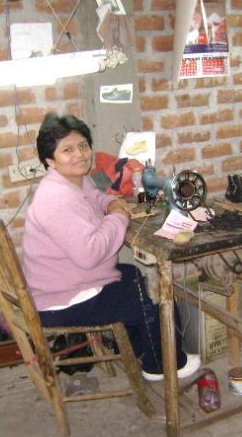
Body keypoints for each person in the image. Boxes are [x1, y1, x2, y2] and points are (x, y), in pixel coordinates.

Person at [22, 113, 200, 381]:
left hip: (68, 284)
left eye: (83, 146)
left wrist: (112, 204)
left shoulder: (70, 181)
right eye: (67, 150)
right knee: (155, 292)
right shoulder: (56, 198)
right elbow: (90, 254)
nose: (80, 155)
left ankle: (140, 350)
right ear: (50, 160)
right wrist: (118, 217)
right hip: (64, 300)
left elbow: (95, 197)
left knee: (132, 275)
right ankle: (162, 364)